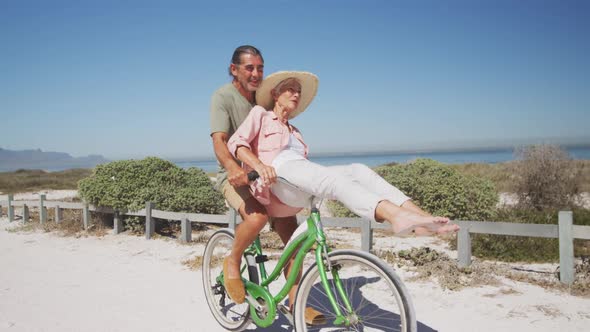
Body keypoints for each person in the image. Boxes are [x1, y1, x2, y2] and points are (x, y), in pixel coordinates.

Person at [227, 71, 461, 237]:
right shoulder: (261, 115)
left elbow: (303, 167)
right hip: (276, 177)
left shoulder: (296, 132)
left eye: (298, 91)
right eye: (290, 89)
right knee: (332, 179)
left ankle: (422, 221)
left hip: (296, 183)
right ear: (276, 94)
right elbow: (236, 143)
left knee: (358, 170)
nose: (296, 94)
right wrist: (258, 166)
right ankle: (395, 216)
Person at [210, 46, 323, 324]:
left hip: (269, 180)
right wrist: (234, 168)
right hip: (237, 177)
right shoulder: (223, 97)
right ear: (234, 69)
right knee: (258, 217)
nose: (256, 73)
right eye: (249, 68)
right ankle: (233, 261)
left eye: (260, 68)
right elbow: (220, 141)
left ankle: (296, 302)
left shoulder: (262, 101)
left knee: (293, 240)